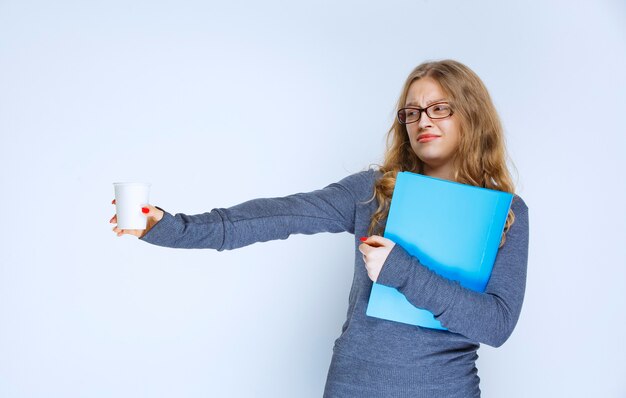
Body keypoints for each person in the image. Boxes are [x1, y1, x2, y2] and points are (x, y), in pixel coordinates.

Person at [109, 59, 529, 397]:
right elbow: (276, 216)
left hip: (445, 390)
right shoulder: (374, 191)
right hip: (353, 386)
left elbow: (495, 325)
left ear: (471, 114)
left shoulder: (507, 214)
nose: (423, 121)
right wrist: (169, 227)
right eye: (412, 111)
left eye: (440, 108)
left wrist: (402, 271)